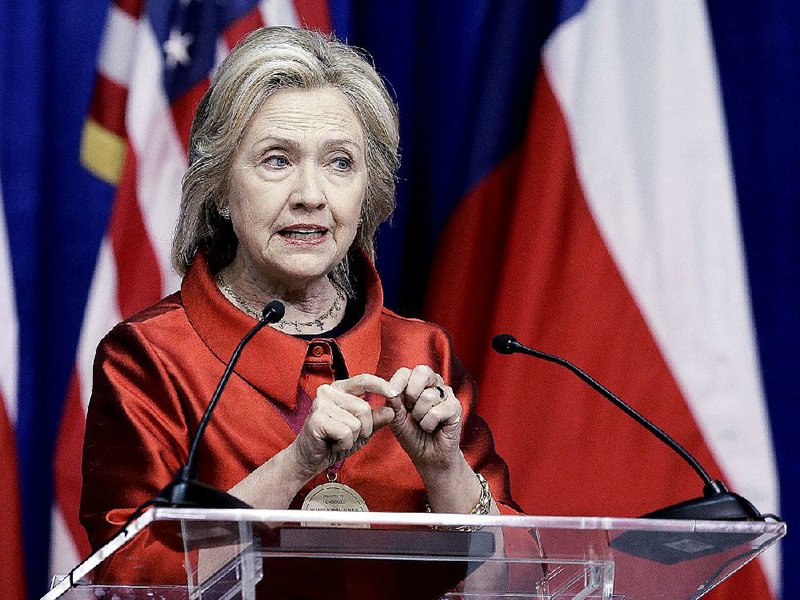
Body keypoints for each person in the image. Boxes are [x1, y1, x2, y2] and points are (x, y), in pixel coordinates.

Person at [80, 26, 521, 592]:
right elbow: (130, 582)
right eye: (276, 161)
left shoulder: (422, 353)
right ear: (217, 184)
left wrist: (445, 472)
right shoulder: (150, 357)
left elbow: (519, 583)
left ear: (369, 189)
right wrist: (297, 463)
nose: (311, 193)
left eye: (340, 163)